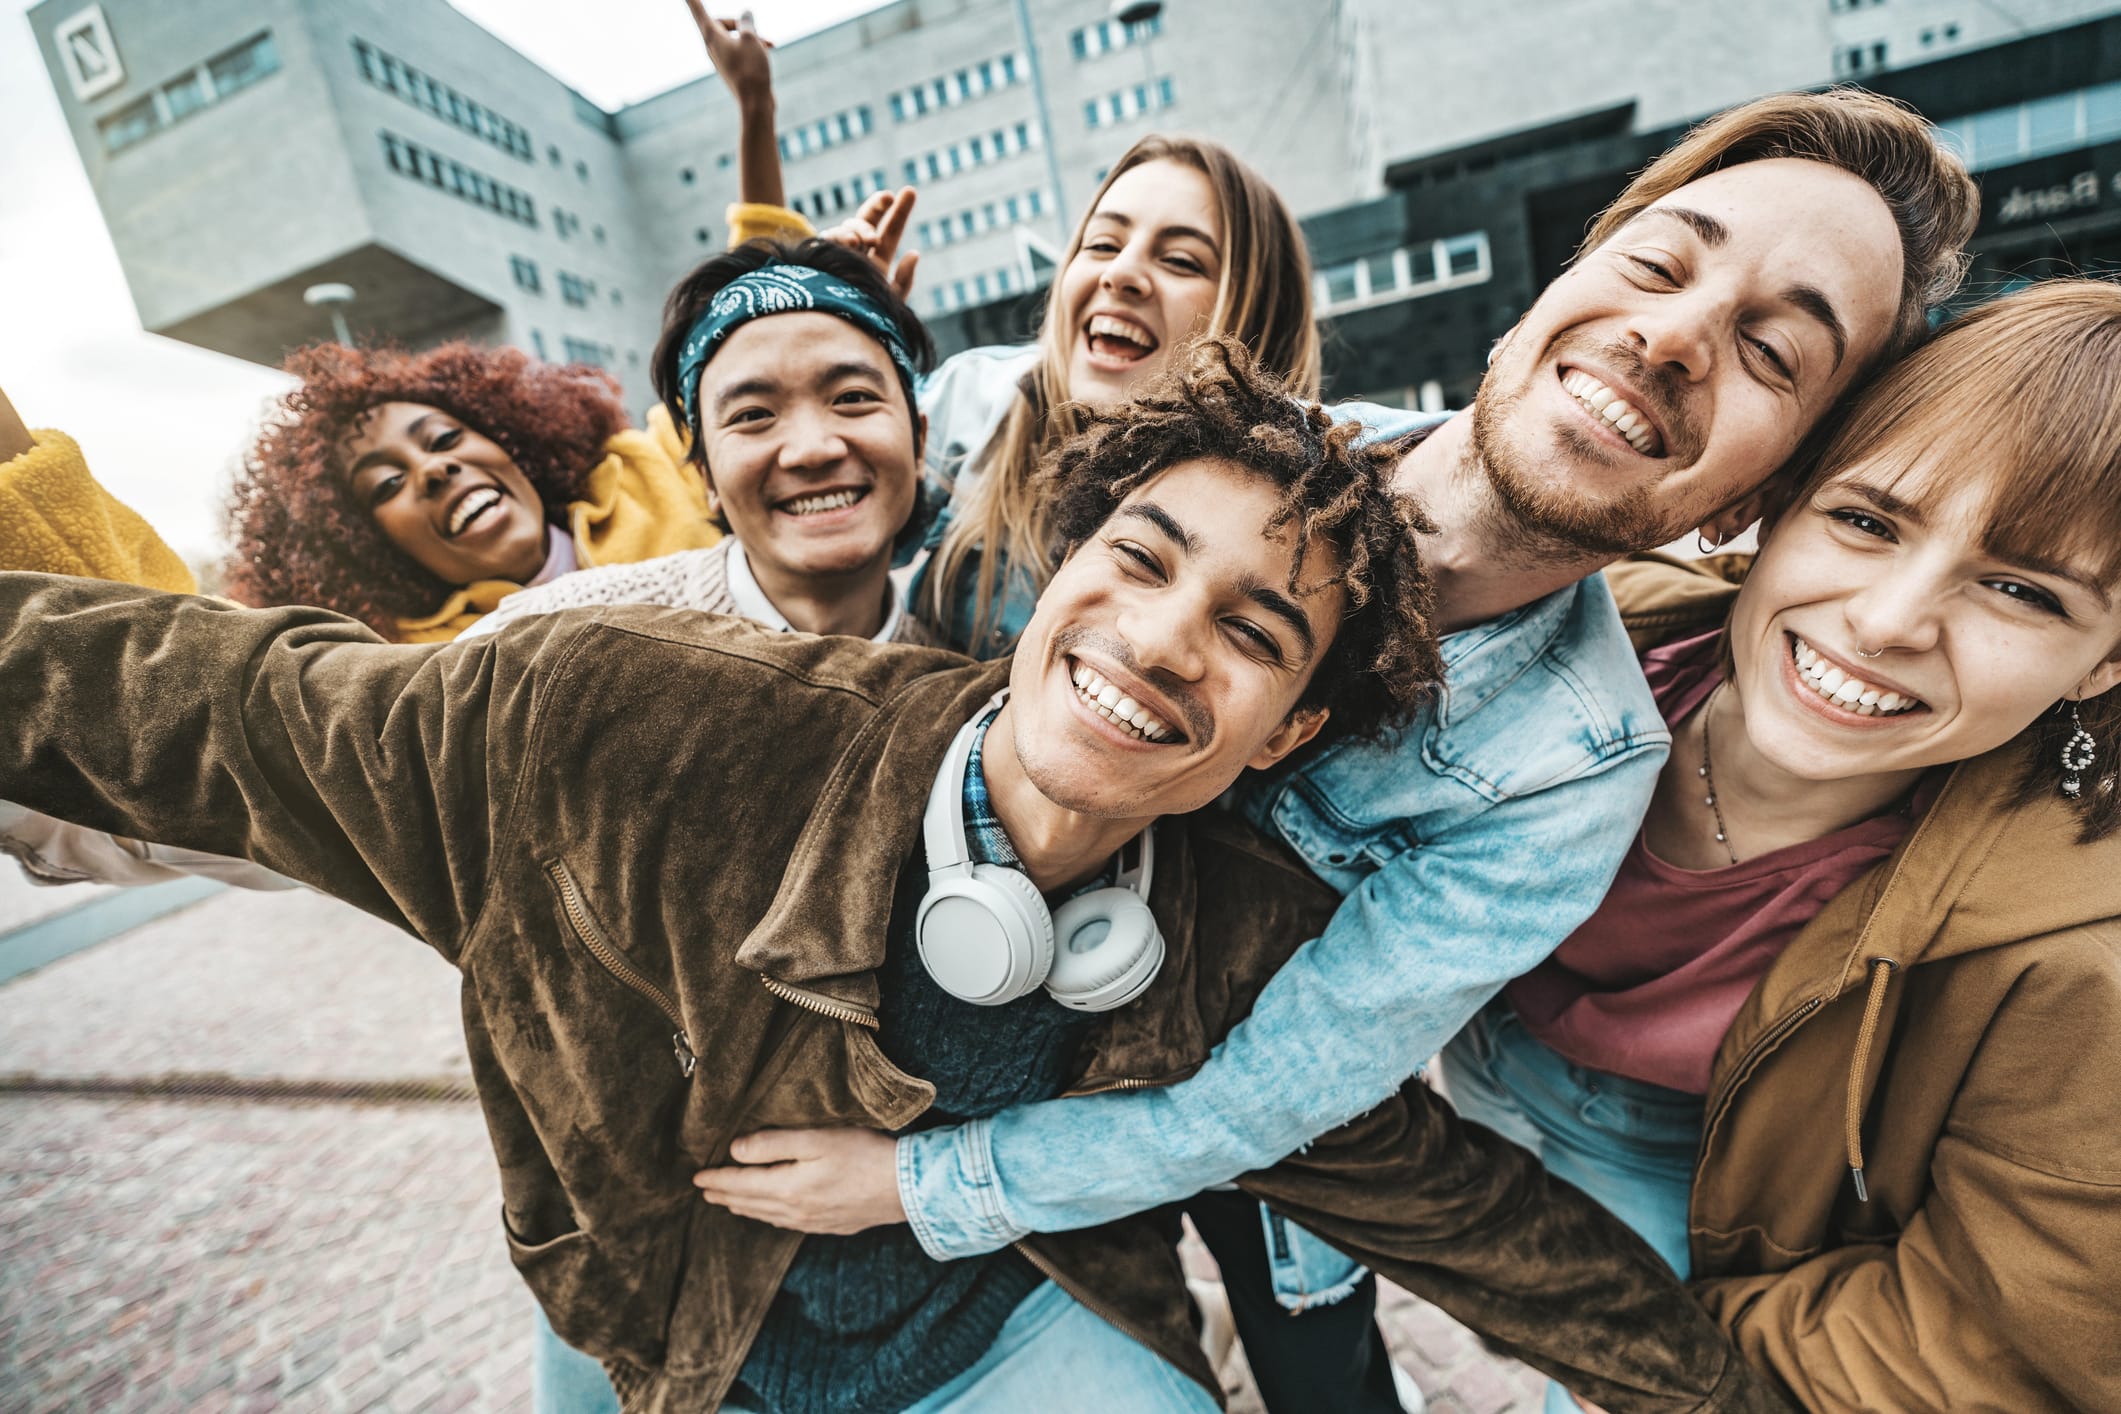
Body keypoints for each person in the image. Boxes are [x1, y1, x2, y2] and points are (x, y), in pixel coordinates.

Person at [0, 340, 1784, 1414]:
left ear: (1281, 739)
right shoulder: (611, 719)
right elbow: (184, 697)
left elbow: (1489, 1224)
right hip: (651, 1331)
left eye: (1251, 631)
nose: (1162, 641)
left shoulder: (1234, 949)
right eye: (1143, 556)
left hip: (1024, 1339)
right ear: (1059, 558)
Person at [683, 87, 1979, 1414]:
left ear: (1763, 496)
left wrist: (920, 1187)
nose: (1672, 336)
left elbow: (1256, 1105)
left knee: (1318, 1371)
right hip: (958, 1027)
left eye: (1774, 352)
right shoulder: (1233, 447)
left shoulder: (1568, 778)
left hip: (1222, 1155)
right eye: (1659, 263)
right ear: (1564, 279)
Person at [1434, 277, 2121, 1410]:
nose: (1890, 619)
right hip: (1481, 1059)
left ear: (2105, 662)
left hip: (1684, 1188)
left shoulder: (2077, 962)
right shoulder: (1599, 624)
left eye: (2019, 590)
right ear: (1781, 504)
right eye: (1867, 521)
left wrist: (1649, 1342)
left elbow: (1989, 1342)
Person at [683, 4, 1322, 655]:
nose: (1121, 275)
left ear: (1257, 314)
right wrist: (835, 318)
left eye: (1180, 260)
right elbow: (766, 392)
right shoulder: (978, 410)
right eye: (1101, 245)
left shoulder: (1297, 513)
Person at [466, 237, 939, 649]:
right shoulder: (553, 635)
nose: (812, 450)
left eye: (852, 398)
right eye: (753, 415)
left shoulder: (974, 697)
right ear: (704, 472)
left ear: (918, 442)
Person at [222, 340, 715, 643]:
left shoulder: (653, 467)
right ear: (371, 547)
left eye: (444, 439)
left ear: (509, 440)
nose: (434, 469)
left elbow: (752, 318)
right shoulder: (409, 665)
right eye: (388, 484)